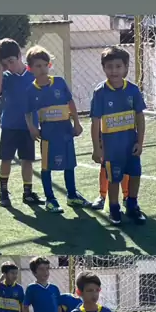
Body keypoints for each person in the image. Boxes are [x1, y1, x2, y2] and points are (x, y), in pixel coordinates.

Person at [25, 45, 90, 213]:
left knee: (69, 164)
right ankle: (50, 199)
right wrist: (32, 128)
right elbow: (28, 112)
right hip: (48, 134)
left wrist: (77, 123)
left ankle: (72, 195)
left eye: (44, 65)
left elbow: (70, 103)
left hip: (66, 131)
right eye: (37, 66)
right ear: (30, 68)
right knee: (46, 166)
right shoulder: (31, 90)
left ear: (49, 65)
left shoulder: (59, 82)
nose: (42, 69)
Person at [90, 46, 146, 225]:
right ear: (103, 68)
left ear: (126, 67)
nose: (114, 71)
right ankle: (114, 208)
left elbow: (140, 118)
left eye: (118, 66)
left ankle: (132, 205)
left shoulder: (133, 90)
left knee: (135, 174)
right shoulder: (100, 92)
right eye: (109, 67)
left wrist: (140, 142)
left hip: (130, 145)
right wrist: (97, 149)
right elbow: (95, 122)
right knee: (113, 179)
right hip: (111, 149)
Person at [0, 38, 44, 208]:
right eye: (5, 64)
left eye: (11, 62)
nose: (9, 66)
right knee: (6, 159)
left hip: (28, 127)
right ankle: (3, 191)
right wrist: (1, 70)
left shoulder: (32, 75)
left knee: (27, 159)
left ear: (19, 56)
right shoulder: (5, 76)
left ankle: (27, 192)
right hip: (9, 126)